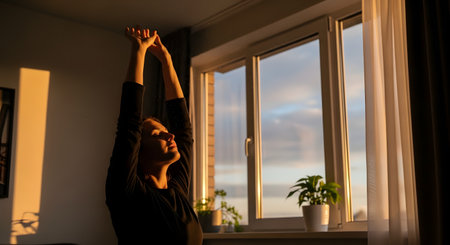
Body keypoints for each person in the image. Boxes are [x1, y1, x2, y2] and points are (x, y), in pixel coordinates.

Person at [105, 26, 202, 244]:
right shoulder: (127, 193)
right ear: (138, 150)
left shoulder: (177, 189)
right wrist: (138, 51)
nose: (171, 137)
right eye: (159, 134)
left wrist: (167, 60)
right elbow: (128, 125)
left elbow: (183, 131)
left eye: (168, 133)